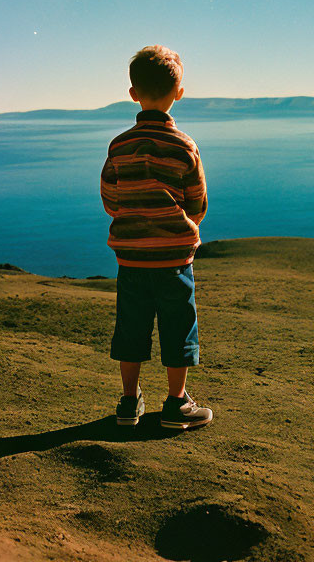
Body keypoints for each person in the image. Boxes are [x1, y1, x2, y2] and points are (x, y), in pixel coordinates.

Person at [100, 45, 213, 430]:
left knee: (130, 327)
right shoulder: (184, 147)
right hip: (174, 260)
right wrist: (181, 227)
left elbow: (110, 199)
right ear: (179, 92)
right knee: (178, 327)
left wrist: (134, 218)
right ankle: (176, 403)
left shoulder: (119, 146)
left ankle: (129, 403)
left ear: (133, 92)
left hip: (130, 259)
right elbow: (198, 203)